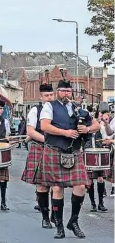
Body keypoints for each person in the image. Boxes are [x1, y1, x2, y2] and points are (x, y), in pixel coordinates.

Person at [40, 79, 100, 239]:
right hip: (55, 150)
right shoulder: (49, 106)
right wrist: (65, 132)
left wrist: (87, 128)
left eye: (68, 91)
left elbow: (97, 125)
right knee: (58, 188)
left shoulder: (77, 108)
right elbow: (45, 126)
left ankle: (73, 221)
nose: (66, 94)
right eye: (63, 91)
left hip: (74, 151)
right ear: (57, 91)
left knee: (81, 186)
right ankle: (59, 226)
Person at [21, 83, 55, 228]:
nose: (49, 98)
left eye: (51, 95)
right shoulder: (35, 110)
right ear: (41, 96)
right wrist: (48, 140)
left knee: (56, 185)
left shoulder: (58, 109)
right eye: (46, 95)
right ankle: (45, 217)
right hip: (40, 147)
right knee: (42, 185)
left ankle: (55, 214)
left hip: (56, 149)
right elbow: (30, 131)